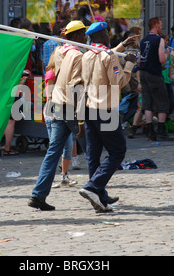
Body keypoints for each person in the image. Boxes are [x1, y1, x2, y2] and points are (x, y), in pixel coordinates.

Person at [28, 20, 87, 211]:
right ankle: (97, 190)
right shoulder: (77, 55)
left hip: (57, 105)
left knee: (53, 153)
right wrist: (80, 120)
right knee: (91, 147)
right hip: (69, 107)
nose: (86, 37)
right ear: (77, 36)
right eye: (83, 33)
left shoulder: (60, 51)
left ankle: (38, 195)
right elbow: (76, 86)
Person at [79, 22, 138, 213]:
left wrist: (122, 46)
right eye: (106, 32)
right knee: (117, 151)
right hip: (106, 108)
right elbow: (119, 82)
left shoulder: (87, 54)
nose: (107, 35)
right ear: (102, 35)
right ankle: (93, 186)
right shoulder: (109, 56)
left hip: (89, 108)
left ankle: (99, 198)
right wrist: (129, 63)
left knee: (93, 154)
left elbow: (103, 55)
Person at [43, 50, 78, 188]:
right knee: (55, 148)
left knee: (68, 146)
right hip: (54, 112)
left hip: (64, 111)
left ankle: (64, 176)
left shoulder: (63, 73)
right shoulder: (52, 73)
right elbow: (50, 95)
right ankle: (49, 179)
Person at [139, 18, 174, 141]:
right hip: (154, 73)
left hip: (143, 73)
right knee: (162, 101)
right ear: (155, 25)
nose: (161, 26)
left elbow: (139, 60)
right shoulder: (159, 39)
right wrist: (167, 54)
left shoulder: (143, 40)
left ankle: (150, 131)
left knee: (147, 102)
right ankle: (161, 131)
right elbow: (161, 59)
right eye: (160, 24)